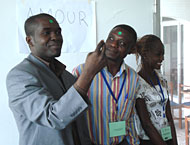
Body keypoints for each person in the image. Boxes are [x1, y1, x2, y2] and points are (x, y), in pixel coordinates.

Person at [6, 13, 107, 145]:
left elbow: (78, 122)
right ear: (30, 41)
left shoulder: (66, 75)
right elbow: (53, 117)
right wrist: (88, 73)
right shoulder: (19, 76)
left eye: (58, 32)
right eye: (46, 33)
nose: (55, 37)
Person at [73, 24, 140, 145]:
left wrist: (133, 142)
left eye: (122, 43)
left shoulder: (134, 78)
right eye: (111, 39)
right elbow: (72, 114)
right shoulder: (82, 72)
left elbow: (130, 117)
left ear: (131, 50)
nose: (113, 45)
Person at [134, 34, 178, 145]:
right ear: (145, 55)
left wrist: (174, 142)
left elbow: (169, 116)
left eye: (163, 54)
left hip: (166, 136)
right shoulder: (137, 82)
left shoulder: (162, 79)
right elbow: (146, 124)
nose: (162, 58)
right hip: (149, 140)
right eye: (158, 54)